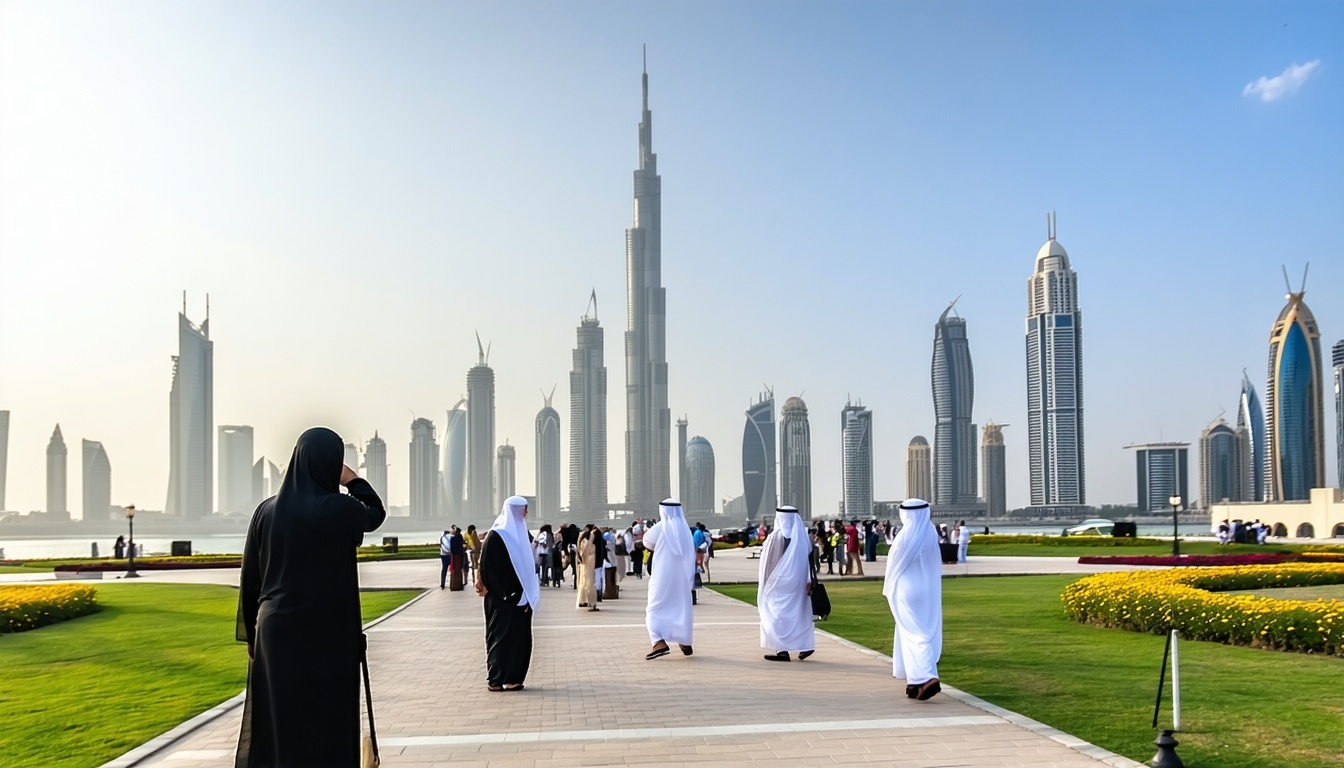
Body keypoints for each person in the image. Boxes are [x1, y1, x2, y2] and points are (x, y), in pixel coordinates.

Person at [234, 427, 386, 767]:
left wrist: (252, 637)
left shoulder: (266, 512)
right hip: (327, 631)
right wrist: (351, 479)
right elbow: (375, 512)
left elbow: (251, 579)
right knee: (326, 716)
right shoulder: (340, 509)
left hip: (275, 631)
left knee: (281, 718)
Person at [476, 496, 540, 692]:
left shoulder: (522, 534)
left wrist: (525, 594)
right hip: (501, 599)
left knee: (520, 640)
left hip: (523, 599)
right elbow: (490, 570)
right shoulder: (497, 536)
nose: (526, 513)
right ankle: (496, 679)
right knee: (500, 638)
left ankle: (514, 678)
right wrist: (509, 594)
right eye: (523, 509)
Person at [882, 498, 942, 701]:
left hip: (907, 591)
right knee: (912, 630)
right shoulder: (930, 533)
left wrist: (890, 589)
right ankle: (913, 680)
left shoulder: (905, 536)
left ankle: (927, 676)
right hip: (928, 590)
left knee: (915, 634)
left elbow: (893, 568)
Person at [759, 506, 815, 662]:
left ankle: (782, 650)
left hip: (777, 584)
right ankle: (805, 645)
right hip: (799, 583)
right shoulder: (803, 535)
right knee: (800, 614)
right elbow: (810, 560)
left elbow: (767, 563)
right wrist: (809, 580)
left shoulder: (775, 537)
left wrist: (765, 582)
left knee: (776, 615)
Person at [644, 499, 695, 659]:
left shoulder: (660, 527)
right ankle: (685, 642)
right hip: (682, 577)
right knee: (681, 608)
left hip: (662, 575)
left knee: (653, 608)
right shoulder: (685, 530)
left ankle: (658, 642)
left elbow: (647, 542)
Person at [576, 525, 599, 610]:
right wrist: (592, 537)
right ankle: (592, 603)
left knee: (584, 583)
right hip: (589, 565)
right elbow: (586, 552)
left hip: (585, 565)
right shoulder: (589, 543)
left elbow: (581, 552)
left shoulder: (582, 541)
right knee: (589, 584)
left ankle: (583, 601)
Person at [448, 526, 467, 591]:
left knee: (454, 570)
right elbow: (464, 546)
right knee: (459, 570)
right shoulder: (461, 539)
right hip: (460, 555)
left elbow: (451, 548)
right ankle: (459, 585)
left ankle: (454, 585)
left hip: (454, 556)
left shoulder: (453, 539)